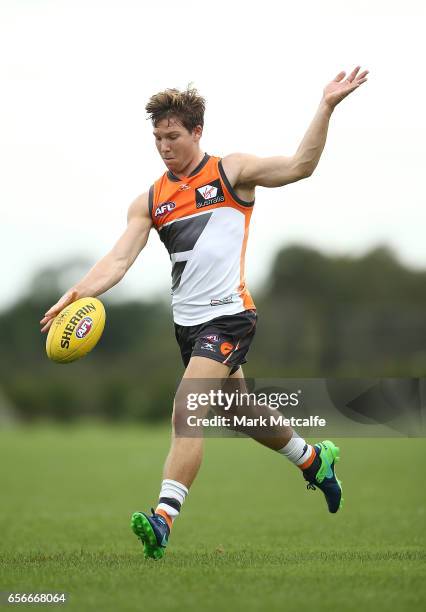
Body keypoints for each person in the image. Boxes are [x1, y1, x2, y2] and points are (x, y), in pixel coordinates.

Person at [40, 66, 369, 560]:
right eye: (157, 137)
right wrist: (79, 291)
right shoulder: (150, 200)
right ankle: (313, 459)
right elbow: (119, 259)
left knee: (186, 408)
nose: (163, 145)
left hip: (230, 316)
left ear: (197, 132)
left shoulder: (230, 172)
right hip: (188, 327)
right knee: (238, 412)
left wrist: (325, 107)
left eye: (172, 135)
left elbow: (301, 165)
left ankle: (163, 518)